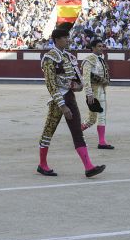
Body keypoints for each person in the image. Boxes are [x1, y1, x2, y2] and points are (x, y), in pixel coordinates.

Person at [37, 27, 106, 178]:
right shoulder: (50, 58)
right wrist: (62, 105)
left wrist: (78, 86)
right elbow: (50, 84)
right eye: (64, 38)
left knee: (77, 131)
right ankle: (42, 164)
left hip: (70, 97)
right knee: (49, 131)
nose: (68, 40)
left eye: (68, 37)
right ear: (56, 40)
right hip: (58, 101)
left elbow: (78, 82)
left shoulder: (68, 57)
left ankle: (89, 167)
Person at [80, 38, 113, 149]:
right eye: (99, 46)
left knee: (102, 117)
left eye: (102, 46)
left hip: (102, 91)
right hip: (93, 92)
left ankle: (102, 142)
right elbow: (86, 78)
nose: (101, 48)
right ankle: (77, 134)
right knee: (91, 119)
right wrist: (89, 94)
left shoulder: (100, 60)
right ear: (93, 47)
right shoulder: (89, 60)